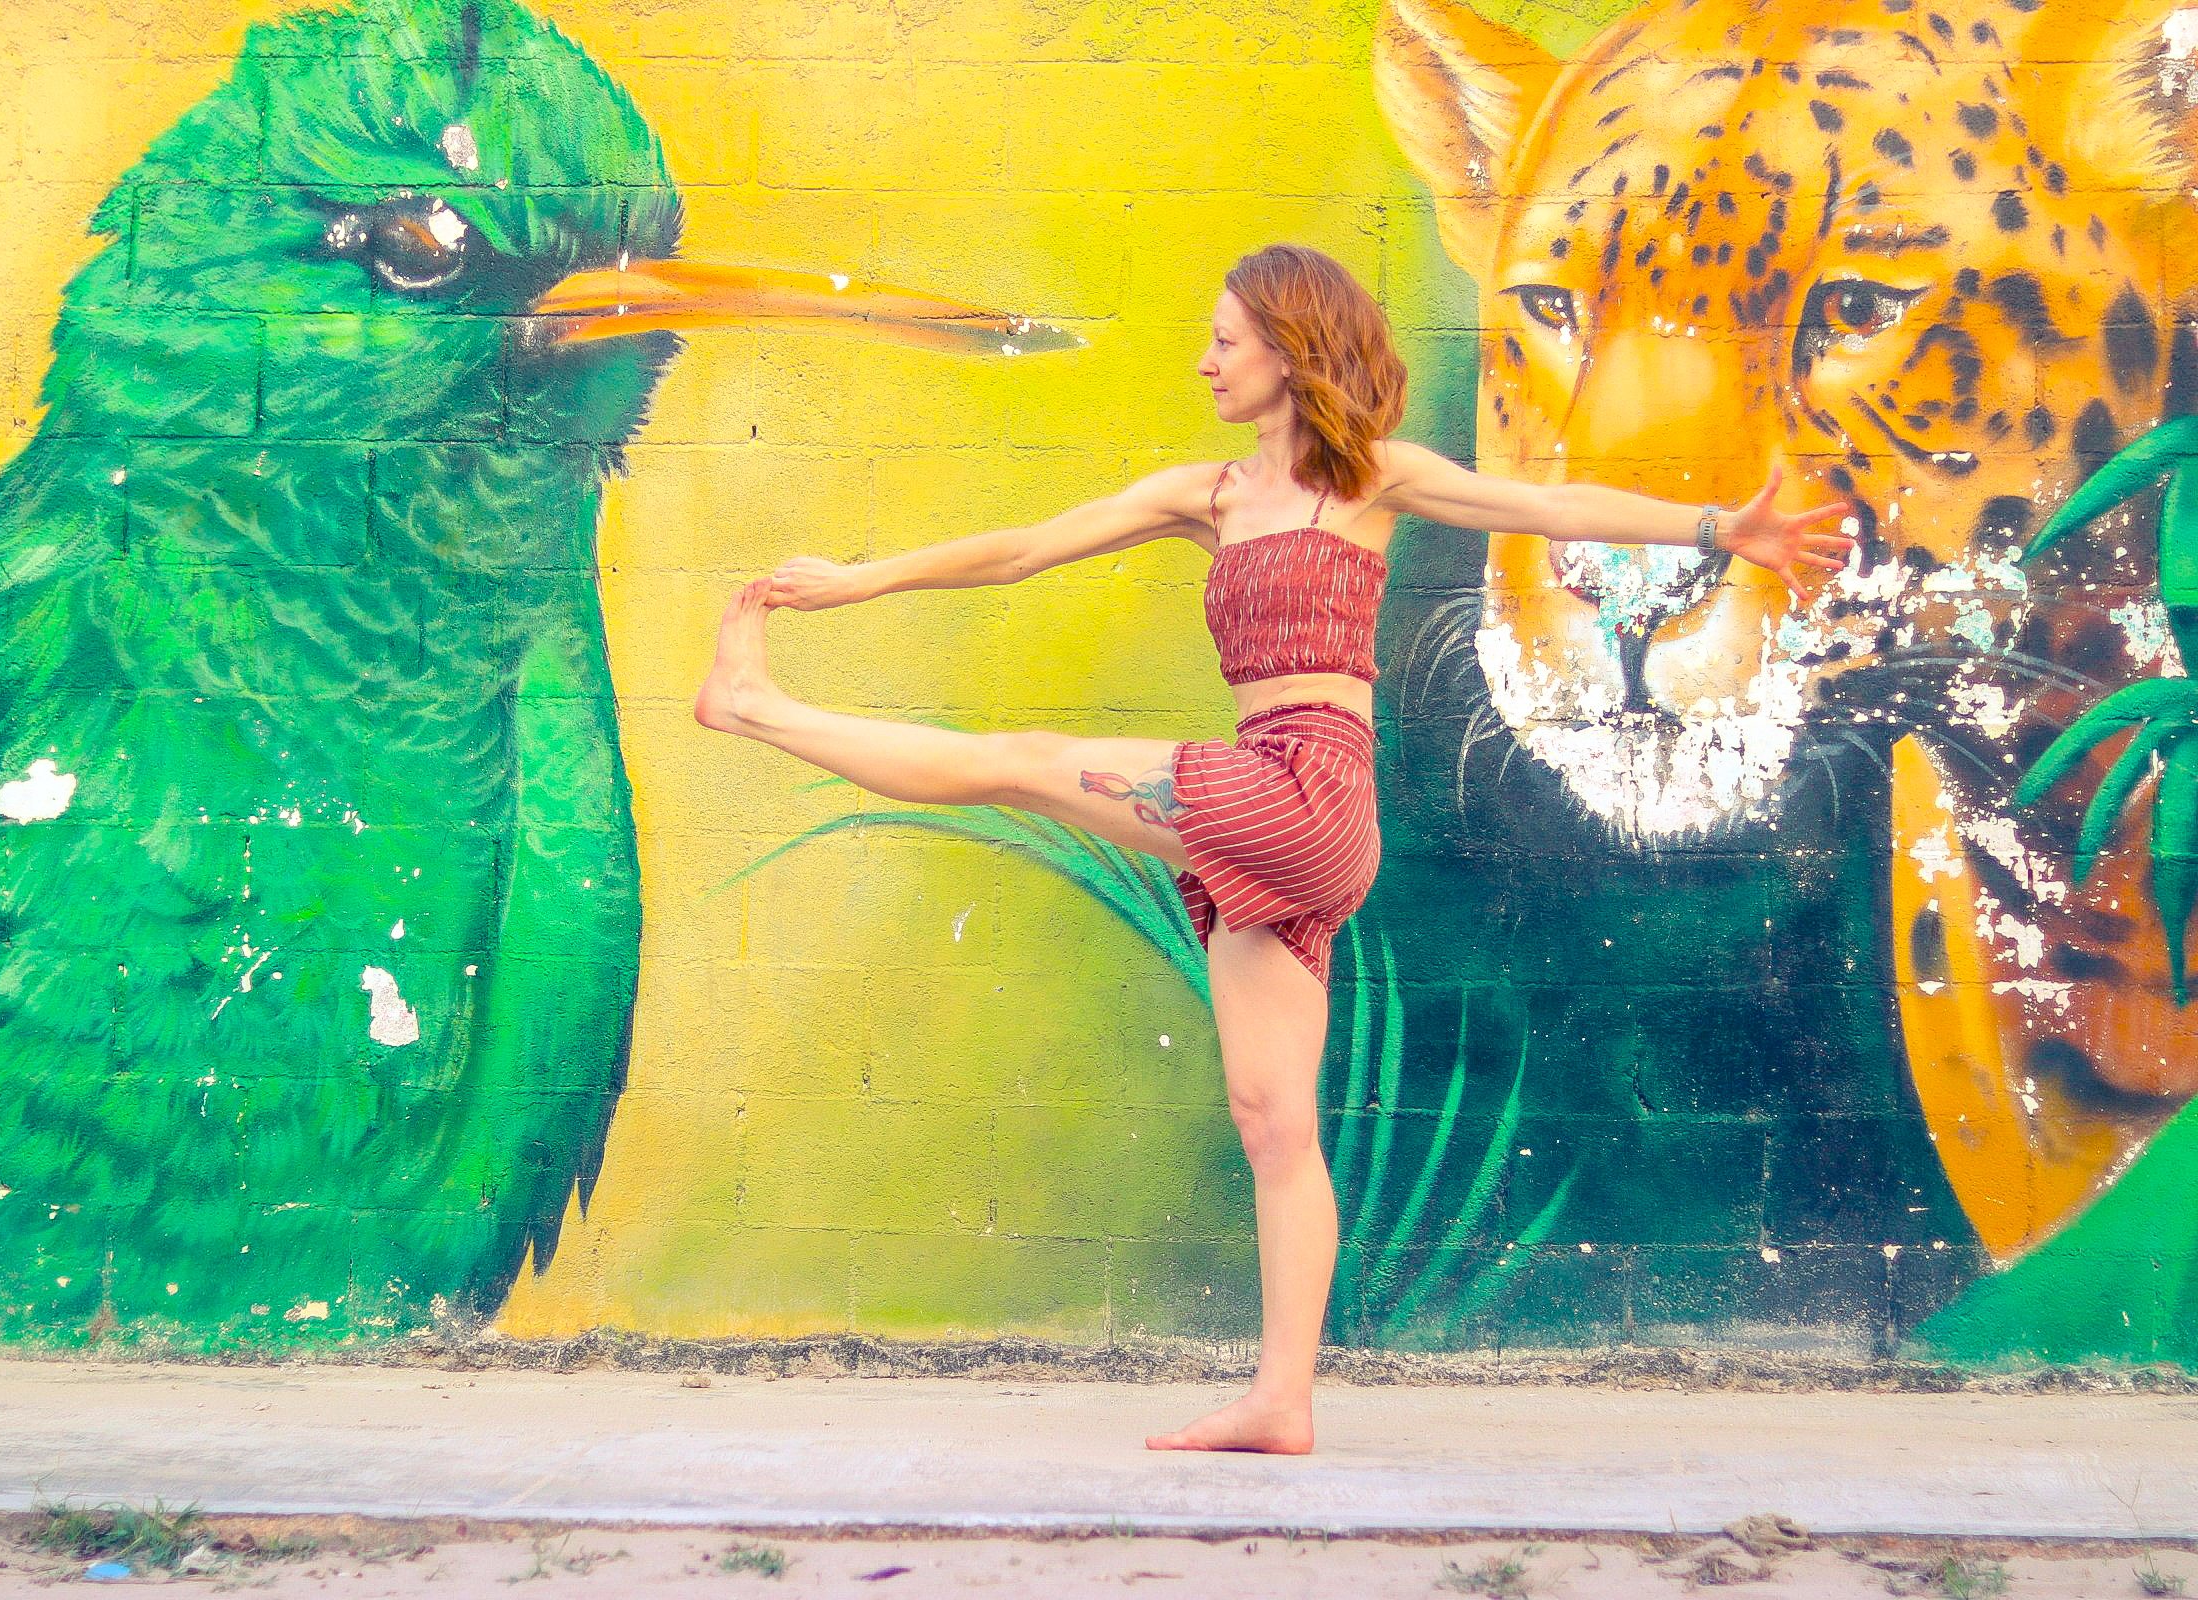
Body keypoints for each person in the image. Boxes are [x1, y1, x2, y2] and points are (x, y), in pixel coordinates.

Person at [693, 242, 1853, 1454]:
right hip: (1281, 830)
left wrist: (1722, 528)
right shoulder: (1207, 498)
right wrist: (857, 581)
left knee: (1020, 758)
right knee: (1272, 1115)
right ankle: (1282, 1401)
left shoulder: (1374, 481)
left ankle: (759, 710)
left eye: (1225, 341)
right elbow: (1023, 548)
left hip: (1307, 793)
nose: (1205, 362)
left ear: (1292, 349)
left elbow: (1555, 509)